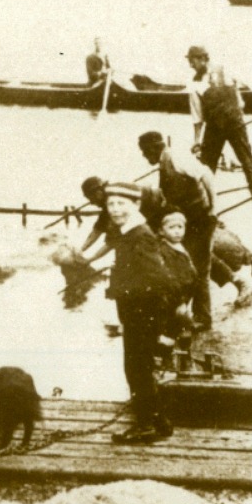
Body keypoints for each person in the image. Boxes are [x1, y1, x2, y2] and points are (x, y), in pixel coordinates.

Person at [103, 183, 194, 445]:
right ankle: (159, 421)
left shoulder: (139, 235)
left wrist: (170, 322)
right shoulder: (129, 232)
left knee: (136, 369)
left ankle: (144, 425)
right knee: (141, 368)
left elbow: (161, 278)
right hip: (137, 312)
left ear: (135, 205)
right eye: (111, 204)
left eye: (121, 203)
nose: (115, 209)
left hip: (142, 314)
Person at [137, 130, 218, 331]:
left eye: (145, 152)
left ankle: (203, 319)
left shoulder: (176, 157)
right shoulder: (164, 162)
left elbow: (206, 174)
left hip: (201, 218)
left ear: (154, 148)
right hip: (187, 221)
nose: (144, 156)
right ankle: (181, 314)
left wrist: (215, 208)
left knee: (199, 270)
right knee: (183, 267)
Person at [184, 46, 252, 223]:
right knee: (206, 169)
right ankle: (206, 209)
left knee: (248, 163)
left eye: (192, 60)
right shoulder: (194, 83)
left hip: (235, 125)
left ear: (203, 58)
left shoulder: (225, 68)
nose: (190, 65)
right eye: (189, 61)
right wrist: (196, 141)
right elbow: (197, 116)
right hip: (214, 128)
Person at [78, 175, 166, 264]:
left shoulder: (115, 201)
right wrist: (80, 250)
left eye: (91, 199)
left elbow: (112, 242)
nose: (92, 203)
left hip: (157, 214)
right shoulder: (112, 193)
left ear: (98, 194)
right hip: (155, 205)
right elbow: (98, 229)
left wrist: (90, 260)